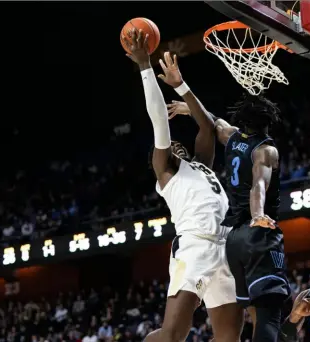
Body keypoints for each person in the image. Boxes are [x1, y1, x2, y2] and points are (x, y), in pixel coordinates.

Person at [122, 29, 243, 342]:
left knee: (230, 337)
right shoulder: (167, 172)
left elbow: (207, 124)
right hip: (195, 246)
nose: (173, 144)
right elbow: (160, 121)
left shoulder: (201, 162)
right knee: (174, 334)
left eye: (177, 142)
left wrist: (183, 87)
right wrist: (145, 66)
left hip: (226, 246)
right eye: (166, 146)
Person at [167, 94, 289, 342]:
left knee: (236, 326)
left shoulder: (233, 138)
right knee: (266, 314)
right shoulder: (266, 150)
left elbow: (214, 123)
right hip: (254, 233)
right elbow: (259, 186)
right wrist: (258, 216)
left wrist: (189, 107)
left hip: (231, 240)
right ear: (269, 121)